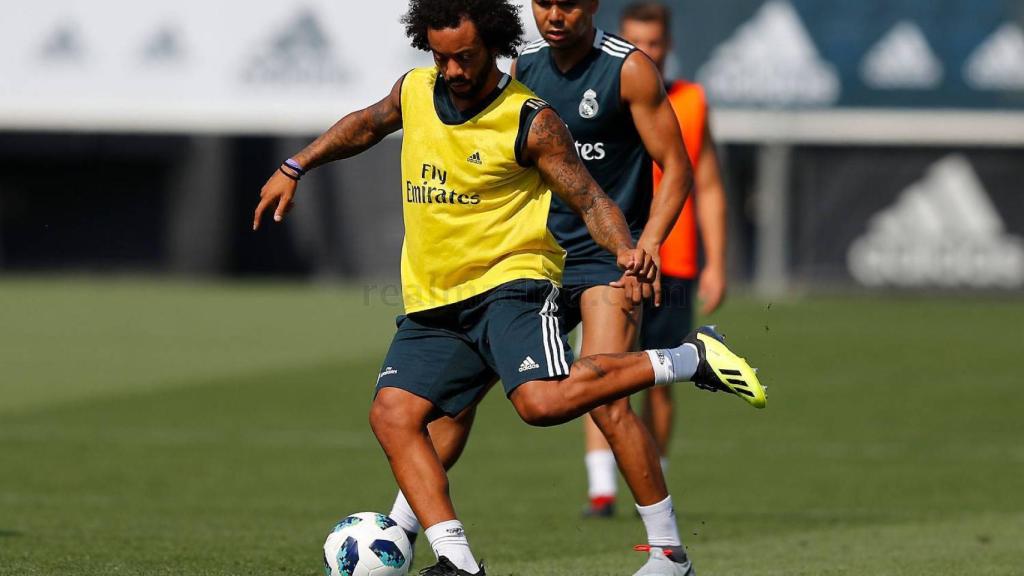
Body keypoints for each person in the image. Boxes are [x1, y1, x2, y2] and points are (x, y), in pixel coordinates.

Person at [385, 2, 765, 575]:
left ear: (593, 4)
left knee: (607, 400)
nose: (554, 14)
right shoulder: (522, 64)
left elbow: (677, 167)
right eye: (543, 2)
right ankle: (400, 533)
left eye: (568, 2)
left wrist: (650, 245)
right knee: (459, 399)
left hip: (608, 256)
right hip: (533, 256)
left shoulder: (628, 69)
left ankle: (668, 554)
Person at [580, 0, 735, 522]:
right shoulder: (602, 94)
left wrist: (717, 263)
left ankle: (655, 476)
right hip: (611, 259)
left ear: (668, 44)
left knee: (658, 379)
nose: (644, 51)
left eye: (653, 41)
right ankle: (601, 490)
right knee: (597, 369)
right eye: (635, 41)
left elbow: (707, 184)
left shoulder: (691, 102)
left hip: (675, 259)